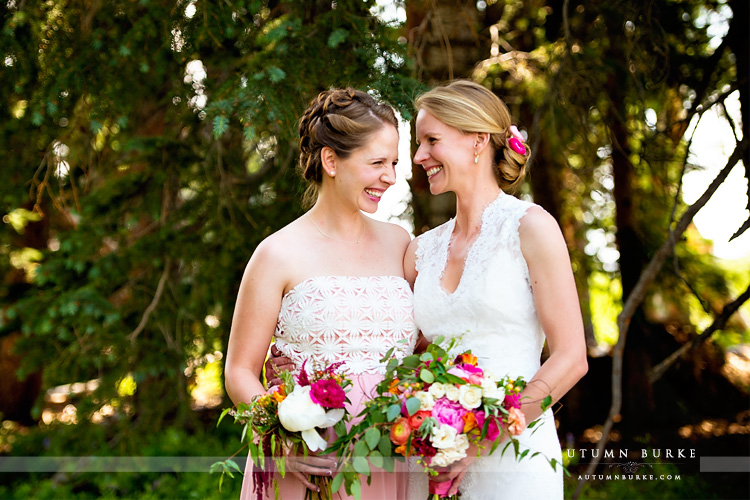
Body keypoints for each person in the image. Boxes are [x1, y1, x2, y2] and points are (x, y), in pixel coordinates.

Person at [224, 88, 418, 500]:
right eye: (377, 162)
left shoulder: (400, 243)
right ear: (331, 160)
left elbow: (423, 340)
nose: (391, 176)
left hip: (390, 457)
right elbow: (240, 371)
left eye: (395, 163)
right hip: (309, 465)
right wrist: (281, 442)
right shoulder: (277, 253)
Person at [403, 79, 588, 499]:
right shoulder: (420, 251)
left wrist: (480, 441)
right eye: (418, 143)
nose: (418, 156)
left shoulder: (530, 227)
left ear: (478, 141)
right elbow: (406, 353)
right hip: (433, 467)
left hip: (513, 464)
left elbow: (572, 357)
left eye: (432, 140)